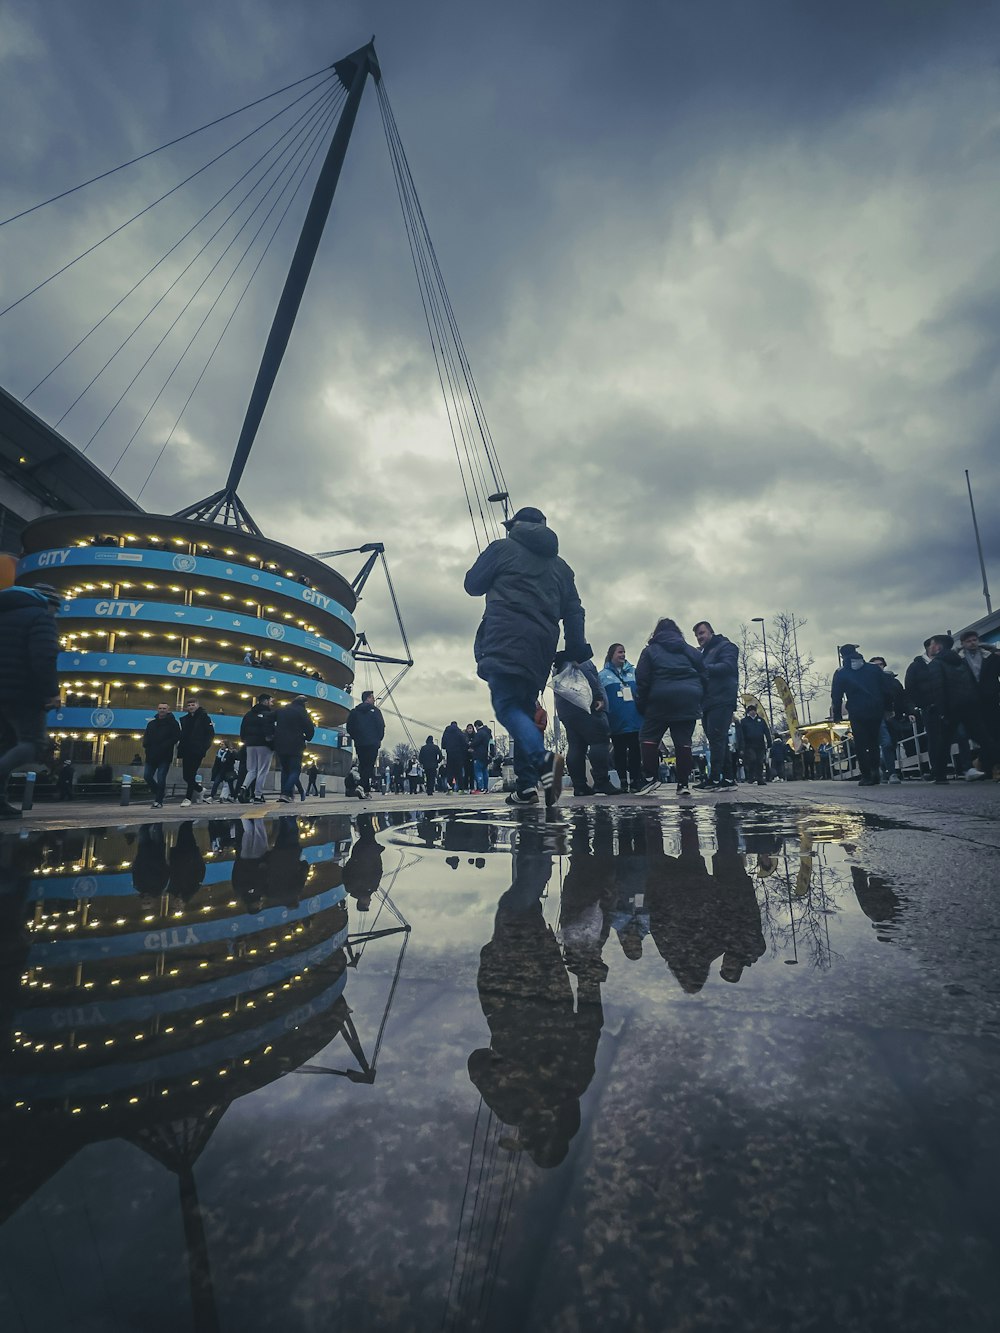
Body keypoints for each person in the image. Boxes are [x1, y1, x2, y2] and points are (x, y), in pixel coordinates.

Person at [464, 505, 586, 808]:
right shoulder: (562, 568)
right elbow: (574, 611)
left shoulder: (502, 549)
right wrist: (574, 649)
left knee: (506, 707)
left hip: (504, 636)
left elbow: (472, 585)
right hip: (541, 646)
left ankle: (544, 761)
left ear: (515, 525)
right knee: (526, 711)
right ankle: (526, 787)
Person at [0, 583, 61, 820]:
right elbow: (44, 657)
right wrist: (51, 692)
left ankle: (1, 804)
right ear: (48, 603)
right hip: (23, 694)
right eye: (56, 608)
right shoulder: (40, 617)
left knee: (5, 746)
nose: (56, 614)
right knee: (33, 743)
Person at [634, 617, 706, 797]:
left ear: (656, 633)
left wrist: (642, 705)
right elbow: (705, 674)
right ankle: (683, 784)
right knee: (683, 742)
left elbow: (642, 679)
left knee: (648, 737)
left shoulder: (650, 651)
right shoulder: (690, 651)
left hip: (660, 699)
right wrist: (697, 694)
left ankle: (651, 778)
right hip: (688, 698)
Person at [551, 647, 614, 796]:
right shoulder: (582, 660)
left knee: (576, 746)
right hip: (587, 707)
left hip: (567, 712)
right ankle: (601, 781)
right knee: (599, 742)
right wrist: (598, 697)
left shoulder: (558, 665)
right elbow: (590, 680)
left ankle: (579, 786)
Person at [831, 644, 893, 786]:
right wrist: (888, 708)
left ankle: (866, 775)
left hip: (857, 710)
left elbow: (836, 695)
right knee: (873, 742)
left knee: (860, 743)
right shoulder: (873, 669)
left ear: (842, 656)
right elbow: (886, 690)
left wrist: (837, 715)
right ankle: (875, 771)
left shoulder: (841, 672)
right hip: (875, 709)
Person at [692, 621, 739, 789]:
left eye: (702, 633)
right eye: (697, 635)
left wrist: (702, 668)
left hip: (722, 699)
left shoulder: (726, 647)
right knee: (717, 739)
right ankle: (727, 779)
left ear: (711, 632)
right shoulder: (703, 653)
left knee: (717, 738)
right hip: (708, 701)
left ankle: (714, 778)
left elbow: (728, 667)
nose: (699, 637)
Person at [957, 630, 1000, 780]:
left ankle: (988, 765)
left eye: (975, 640)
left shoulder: (991, 656)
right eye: (968, 641)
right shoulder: (958, 660)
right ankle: (984, 764)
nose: (972, 643)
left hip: (991, 699)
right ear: (962, 644)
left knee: (994, 732)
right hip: (971, 702)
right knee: (982, 736)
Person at [599, 643, 642, 792]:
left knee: (636, 751)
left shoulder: (634, 672)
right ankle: (623, 781)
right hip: (616, 721)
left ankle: (636, 780)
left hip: (635, 719)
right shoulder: (603, 675)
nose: (623, 655)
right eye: (619, 652)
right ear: (612, 654)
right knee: (620, 752)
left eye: (624, 652)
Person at [869, 656, 908, 784]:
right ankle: (892, 773)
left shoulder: (892, 681)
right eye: (875, 665)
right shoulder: (868, 682)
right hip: (877, 715)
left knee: (893, 743)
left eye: (880, 664)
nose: (878, 667)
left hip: (893, 715)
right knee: (886, 742)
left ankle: (885, 767)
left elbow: (902, 697)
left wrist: (908, 712)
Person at [273, 695, 315, 803]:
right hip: (296, 744)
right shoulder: (301, 712)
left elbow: (269, 719)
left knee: (285, 769)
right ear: (304, 703)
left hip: (281, 744)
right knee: (295, 770)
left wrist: (272, 733)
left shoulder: (282, 710)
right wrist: (307, 737)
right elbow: (309, 728)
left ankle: (286, 794)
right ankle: (286, 793)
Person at [345, 689, 385, 797]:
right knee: (369, 766)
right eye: (372, 697)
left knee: (363, 765)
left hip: (360, 743)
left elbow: (349, 727)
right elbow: (381, 726)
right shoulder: (375, 711)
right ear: (367, 698)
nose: (374, 699)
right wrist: (378, 739)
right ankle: (361, 786)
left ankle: (366, 791)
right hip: (372, 743)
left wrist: (356, 737)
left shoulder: (354, 712)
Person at [177, 697, 215, 807]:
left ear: (197, 705)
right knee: (186, 776)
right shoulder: (185, 719)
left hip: (197, 750)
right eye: (188, 705)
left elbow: (210, 734)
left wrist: (203, 748)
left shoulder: (204, 717)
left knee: (192, 774)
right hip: (186, 750)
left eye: (193, 705)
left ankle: (187, 798)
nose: (191, 707)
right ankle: (199, 789)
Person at [142, 701, 181, 809]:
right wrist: (146, 746)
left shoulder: (173, 723)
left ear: (168, 710)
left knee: (161, 777)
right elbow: (146, 736)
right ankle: (159, 792)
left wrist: (166, 745)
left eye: (164, 708)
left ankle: (158, 801)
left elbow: (176, 736)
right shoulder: (152, 723)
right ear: (157, 709)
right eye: (160, 708)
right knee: (147, 776)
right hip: (151, 755)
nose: (162, 710)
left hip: (165, 755)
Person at [239, 693, 276, 802]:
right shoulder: (269, 714)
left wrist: (245, 740)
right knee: (262, 770)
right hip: (264, 745)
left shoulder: (249, 714)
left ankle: (243, 787)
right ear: (265, 701)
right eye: (270, 701)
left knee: (251, 770)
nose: (272, 703)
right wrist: (272, 742)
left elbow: (243, 728)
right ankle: (258, 795)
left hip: (250, 744)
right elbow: (270, 730)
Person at [739, 704, 771, 785]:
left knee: (760, 762)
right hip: (749, 745)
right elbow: (741, 734)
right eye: (750, 711)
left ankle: (760, 779)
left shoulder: (761, 720)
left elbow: (766, 731)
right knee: (752, 759)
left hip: (760, 744)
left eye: (753, 710)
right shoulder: (744, 721)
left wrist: (769, 741)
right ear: (748, 712)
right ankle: (751, 776)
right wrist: (741, 746)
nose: (752, 712)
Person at [441, 721, 467, 791]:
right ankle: (461, 788)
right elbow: (464, 743)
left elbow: (443, 745)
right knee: (459, 772)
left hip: (450, 754)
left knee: (450, 771)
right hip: (459, 754)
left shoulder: (446, 733)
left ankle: (450, 788)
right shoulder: (459, 732)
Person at [470, 720, 494, 793]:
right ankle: (486, 788)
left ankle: (481, 788)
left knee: (478, 771)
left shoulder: (480, 733)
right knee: (485, 772)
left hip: (479, 755)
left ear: (477, 726)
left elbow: (475, 743)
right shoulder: (488, 732)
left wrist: (470, 744)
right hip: (487, 756)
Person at [462, 722, 477, 792]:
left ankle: (472, 787)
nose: (470, 730)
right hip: (466, 757)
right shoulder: (464, 736)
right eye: (468, 729)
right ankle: (465, 787)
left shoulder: (475, 736)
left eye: (471, 728)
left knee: (472, 774)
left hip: (473, 756)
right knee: (466, 773)